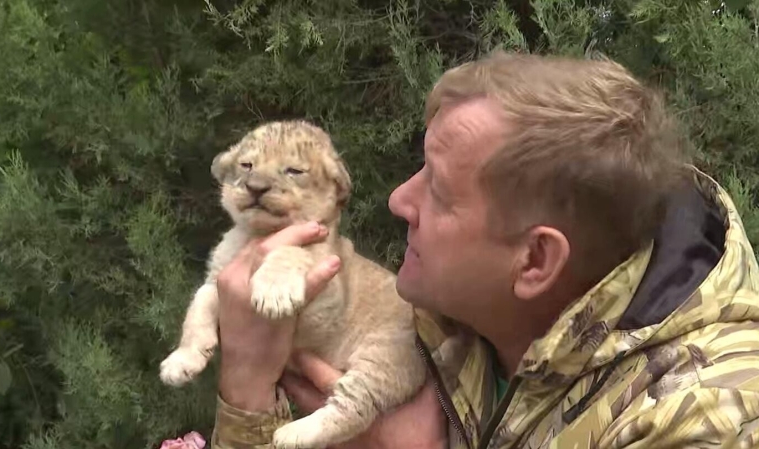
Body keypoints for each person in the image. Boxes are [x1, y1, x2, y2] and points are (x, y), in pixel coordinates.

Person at [208, 51, 759, 448]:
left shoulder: (709, 421)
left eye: (440, 192)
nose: (399, 199)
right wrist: (248, 387)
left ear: (536, 261)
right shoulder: (442, 324)